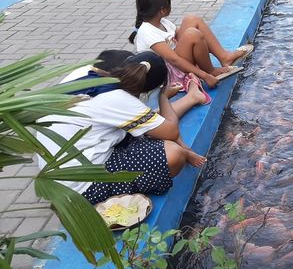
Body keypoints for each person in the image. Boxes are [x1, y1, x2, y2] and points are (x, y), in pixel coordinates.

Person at [36, 51, 208, 205]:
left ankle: (192, 97)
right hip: (80, 188)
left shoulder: (85, 73)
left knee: (148, 124)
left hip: (57, 173)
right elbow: (171, 132)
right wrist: (163, 96)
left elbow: (153, 123)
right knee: (173, 154)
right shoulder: (116, 98)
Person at [129, 0, 253, 89]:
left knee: (192, 20)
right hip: (169, 75)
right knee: (192, 34)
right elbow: (174, 60)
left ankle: (224, 57)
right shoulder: (147, 32)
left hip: (176, 65)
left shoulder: (163, 23)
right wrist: (204, 75)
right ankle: (210, 71)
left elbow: (180, 35)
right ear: (162, 10)